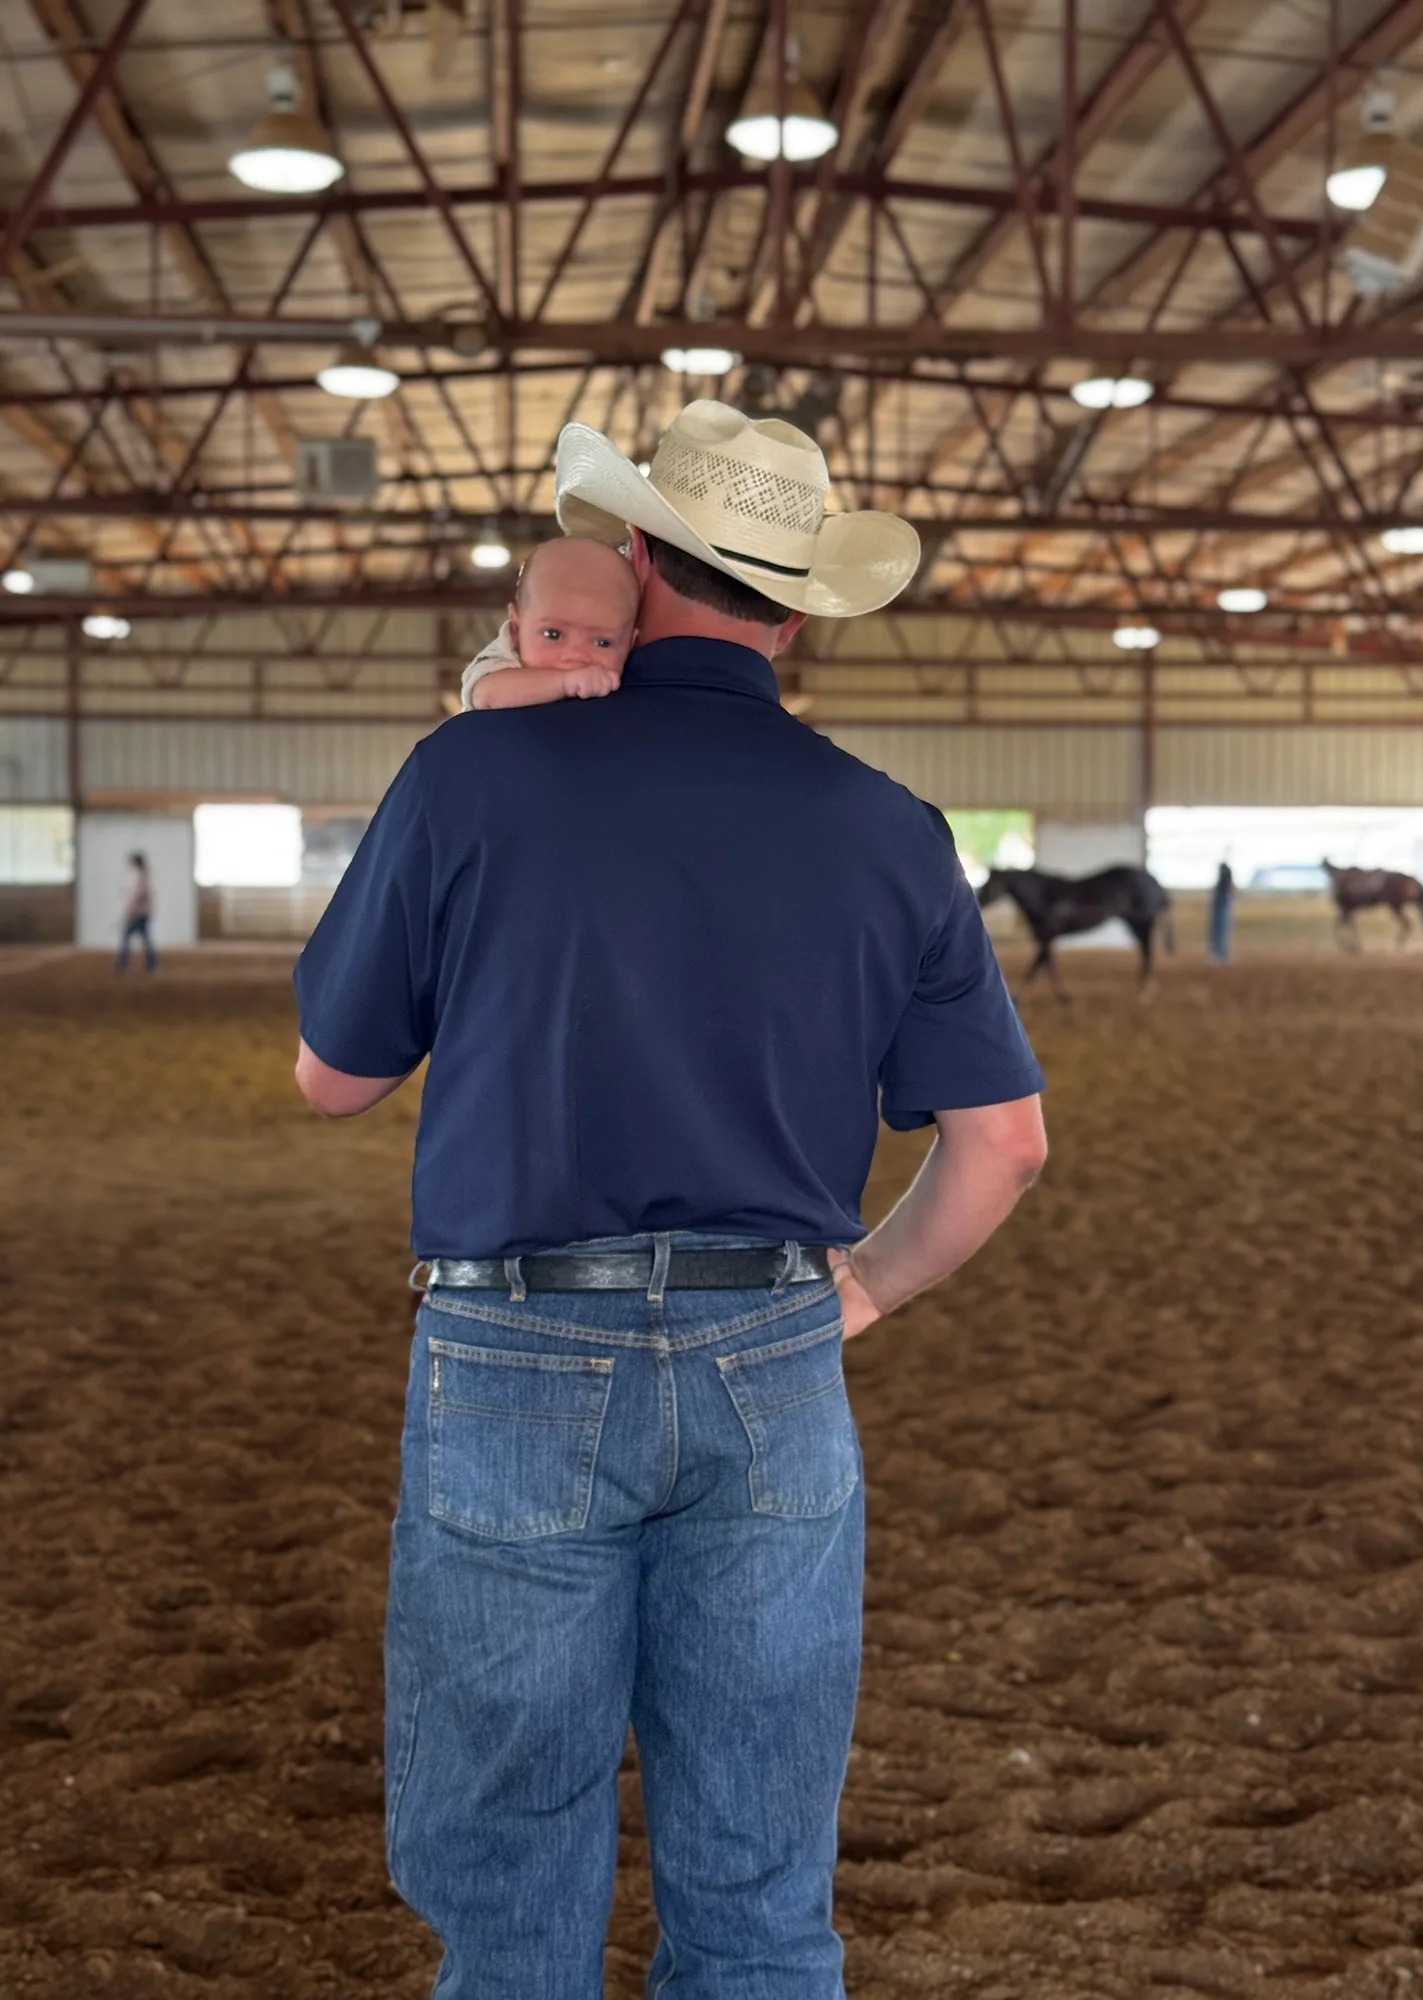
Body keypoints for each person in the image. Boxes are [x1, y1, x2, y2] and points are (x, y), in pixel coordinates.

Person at [293, 398, 1048, 1999]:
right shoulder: (890, 829)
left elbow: (333, 1077)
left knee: (507, 1894)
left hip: (515, 1347)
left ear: (635, 557)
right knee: (763, 1895)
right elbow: (1004, 1145)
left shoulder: (471, 774)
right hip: (768, 1340)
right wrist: (865, 1292)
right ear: (800, 605)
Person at [460, 535, 640, 711]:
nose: (575, 655)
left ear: (631, 643)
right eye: (553, 634)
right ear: (516, 629)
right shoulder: (503, 660)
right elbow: (486, 696)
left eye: (603, 642)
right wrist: (566, 683)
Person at [116, 850, 158, 973]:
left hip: (136, 913)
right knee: (146, 939)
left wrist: (128, 909)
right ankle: (152, 964)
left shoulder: (140, 876)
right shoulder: (147, 875)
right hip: (145, 912)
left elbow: (136, 895)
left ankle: (122, 964)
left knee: (126, 938)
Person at [1208, 858, 1235, 963]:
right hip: (1222, 907)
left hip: (1221, 907)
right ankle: (1220, 953)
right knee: (1221, 930)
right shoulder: (1221, 891)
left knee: (1220, 931)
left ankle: (1219, 953)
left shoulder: (1218, 891)